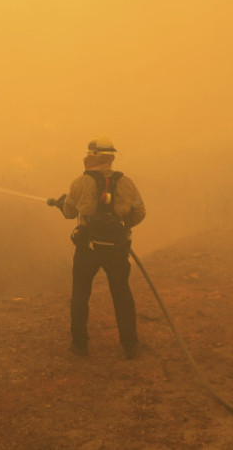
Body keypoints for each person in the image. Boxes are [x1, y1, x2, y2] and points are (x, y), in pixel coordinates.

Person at [48, 136, 146, 359]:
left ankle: (80, 346)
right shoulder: (126, 182)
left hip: (88, 249)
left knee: (81, 294)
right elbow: (140, 212)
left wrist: (61, 204)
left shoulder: (81, 182)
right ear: (110, 157)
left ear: (92, 156)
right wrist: (120, 227)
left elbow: (70, 213)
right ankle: (130, 346)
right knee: (122, 294)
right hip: (117, 249)